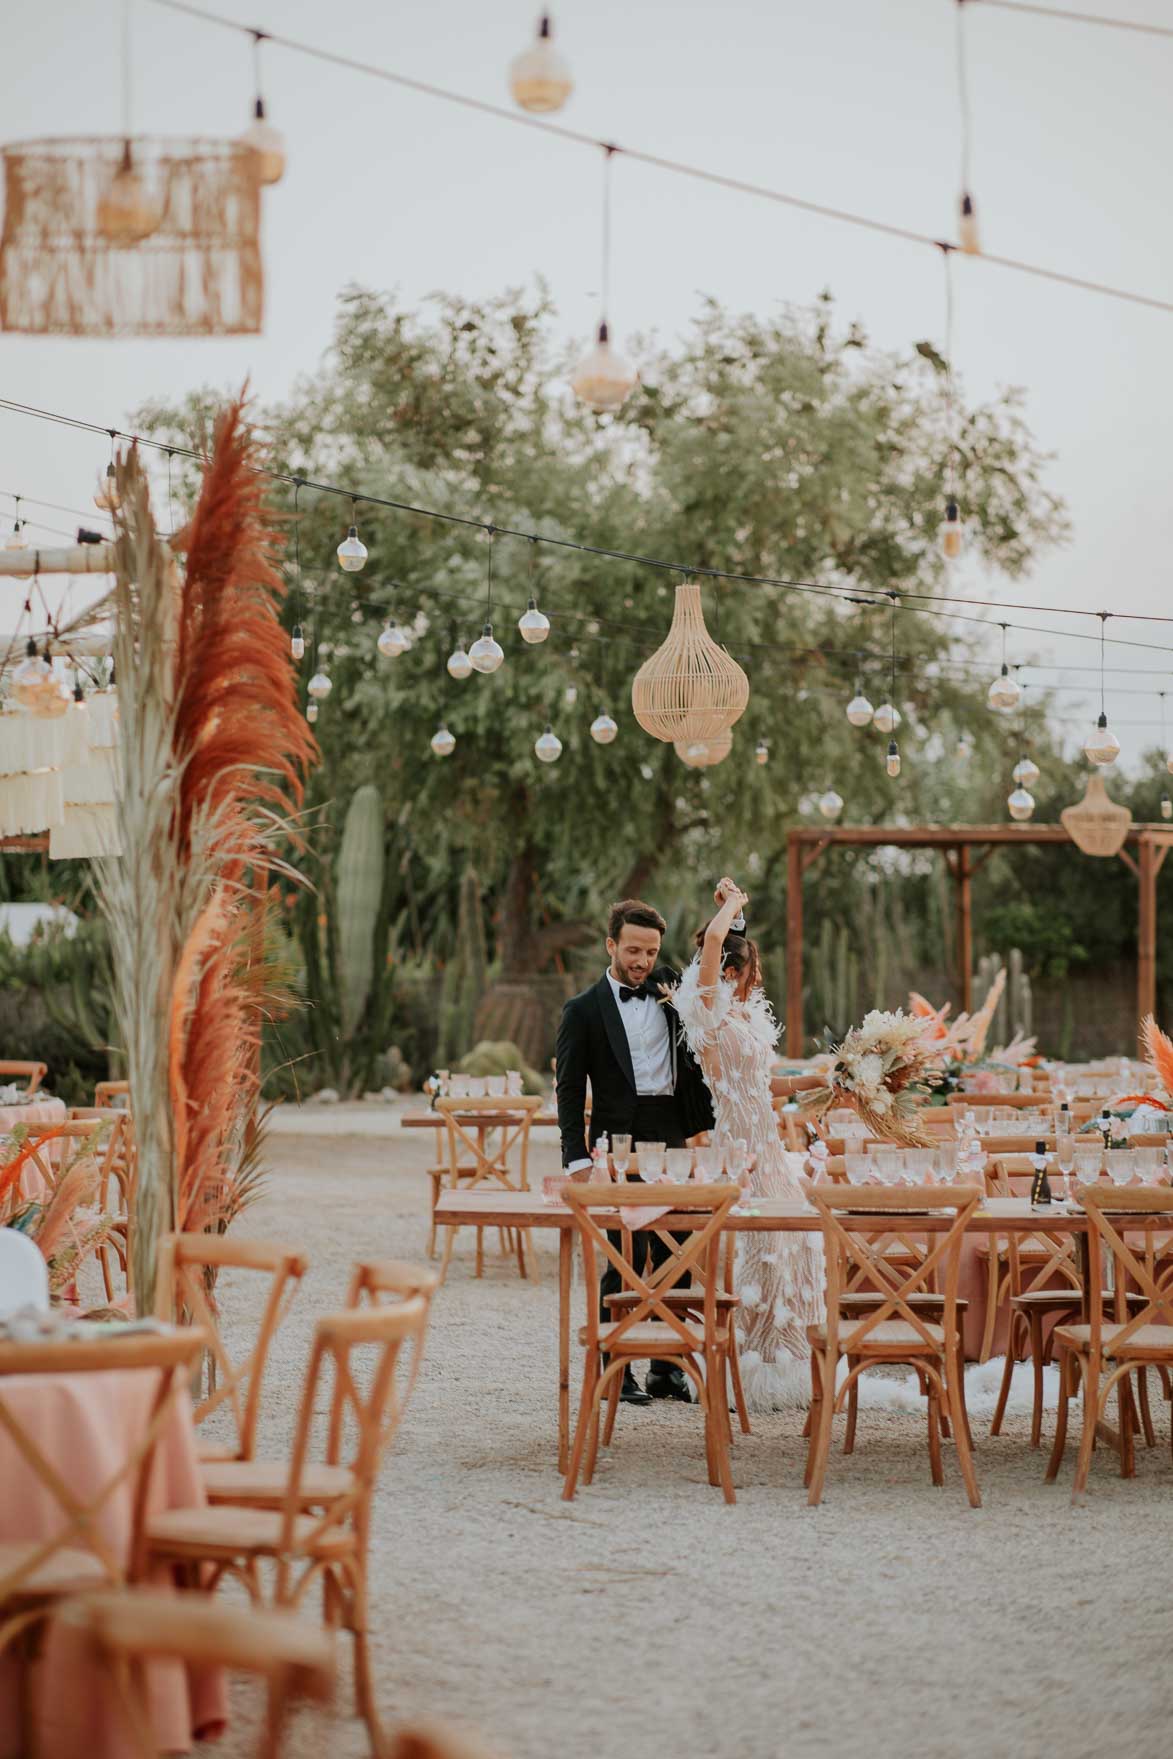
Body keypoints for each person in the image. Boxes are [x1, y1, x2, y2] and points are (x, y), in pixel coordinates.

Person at [555, 898, 715, 1405]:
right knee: (625, 1253)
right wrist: (576, 1157)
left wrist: (731, 911)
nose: (642, 961)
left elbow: (715, 961)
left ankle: (666, 1369)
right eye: (632, 951)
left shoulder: (670, 990)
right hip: (614, 1138)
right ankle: (616, 1365)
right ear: (611, 946)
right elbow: (566, 1090)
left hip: (670, 1130)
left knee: (678, 1248)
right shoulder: (581, 1010)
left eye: (650, 951)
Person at [672, 878, 823, 1411]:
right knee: (752, 1250)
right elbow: (711, 944)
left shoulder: (746, 1020)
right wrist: (734, 904)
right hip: (736, 1144)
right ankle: (745, 1366)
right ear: (733, 974)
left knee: (790, 1246)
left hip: (771, 1142)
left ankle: (786, 1362)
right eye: (752, 974)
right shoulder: (709, 1015)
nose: (757, 983)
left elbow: (765, 1086)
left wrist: (815, 1080)